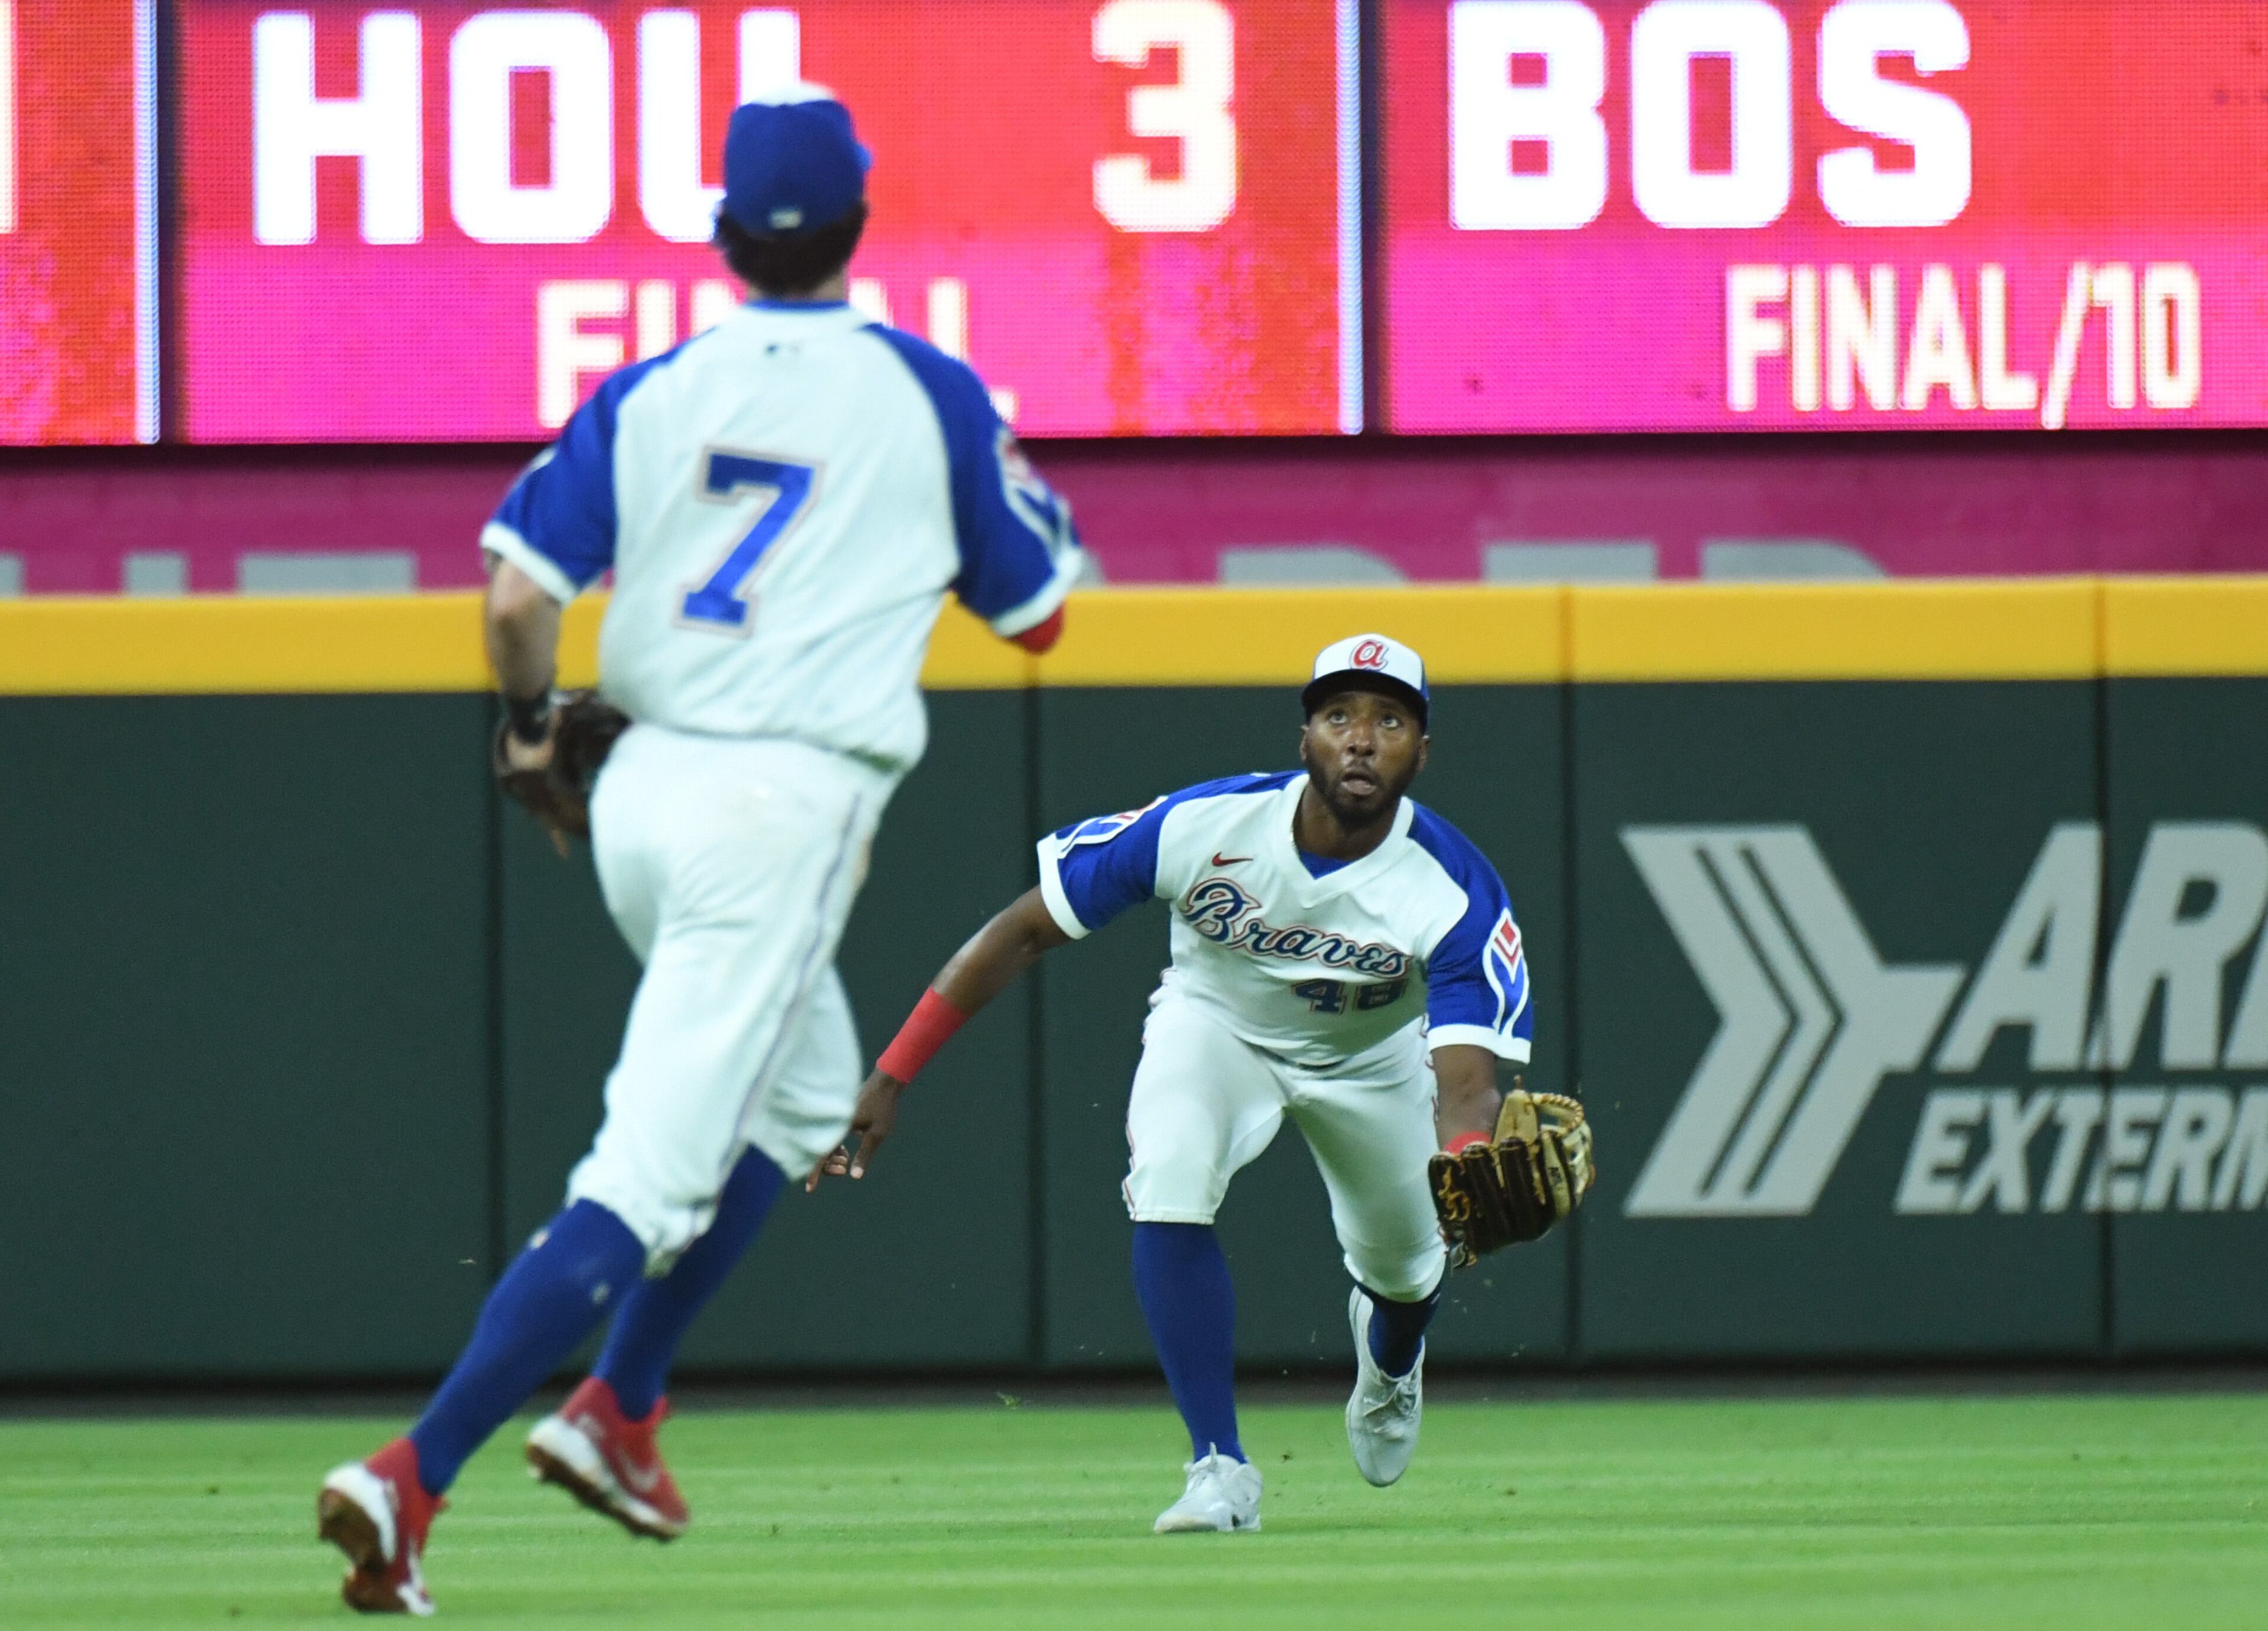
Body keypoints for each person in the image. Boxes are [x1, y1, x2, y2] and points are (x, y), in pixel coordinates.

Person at [315, 86, 1082, 1615]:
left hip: (644, 796)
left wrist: (532, 720)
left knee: (807, 1110)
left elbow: (521, 598)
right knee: (648, 1178)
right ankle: (414, 1475)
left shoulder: (651, 390)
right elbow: (1039, 613)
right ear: (860, 225)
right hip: (775, 816)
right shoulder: (928, 391)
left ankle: (621, 1411)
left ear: (725, 234)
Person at [819, 634, 1533, 1534]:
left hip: (1375, 1057)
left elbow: (1467, 1082)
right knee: (1169, 1171)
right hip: (1218, 1024)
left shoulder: (1456, 891)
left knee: (1404, 1268)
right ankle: (1219, 1468)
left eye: (1389, 720)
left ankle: (1391, 1361)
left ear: (1420, 753)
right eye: (1339, 715)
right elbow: (1024, 929)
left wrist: (1467, 1162)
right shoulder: (1205, 825)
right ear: (1304, 736)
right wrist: (891, 1072)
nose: (1361, 738)